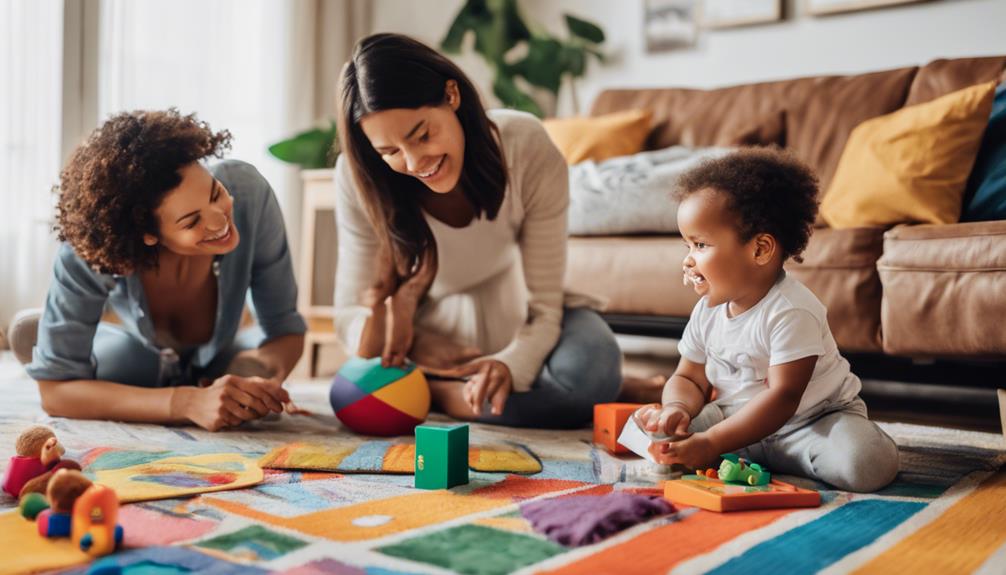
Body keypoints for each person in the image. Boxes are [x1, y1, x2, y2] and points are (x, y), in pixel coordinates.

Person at [334, 33, 622, 428]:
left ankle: (436, 393)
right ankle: (451, 391)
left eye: (422, 135)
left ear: (451, 95)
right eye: (391, 152)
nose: (416, 162)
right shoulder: (360, 178)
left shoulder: (524, 144)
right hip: (432, 329)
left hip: (521, 313)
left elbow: (545, 308)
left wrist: (511, 365)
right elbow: (347, 317)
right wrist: (402, 324)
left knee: (591, 371)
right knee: (348, 400)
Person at [12, 109, 306, 432]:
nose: (221, 222)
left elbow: (285, 329)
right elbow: (56, 393)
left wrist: (259, 376)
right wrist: (188, 402)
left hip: (220, 353)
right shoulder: (95, 247)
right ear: (148, 236)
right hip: (139, 350)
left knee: (243, 363)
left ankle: (58, 333)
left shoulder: (250, 194)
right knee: (128, 366)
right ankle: (59, 338)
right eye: (192, 221)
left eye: (215, 193)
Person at [636, 148, 899, 492]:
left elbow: (783, 397)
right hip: (732, 419)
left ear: (760, 249)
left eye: (700, 245)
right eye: (687, 246)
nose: (688, 260)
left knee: (864, 465)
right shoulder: (708, 309)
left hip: (810, 423)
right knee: (657, 437)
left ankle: (754, 452)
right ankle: (741, 450)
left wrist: (714, 443)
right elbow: (689, 376)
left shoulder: (791, 310)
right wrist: (677, 408)